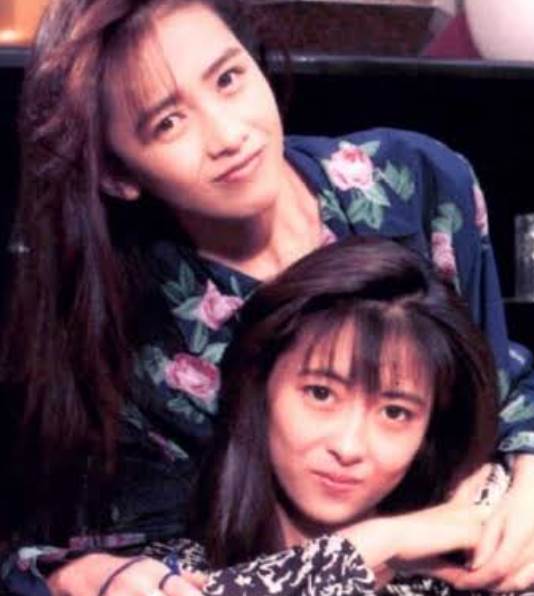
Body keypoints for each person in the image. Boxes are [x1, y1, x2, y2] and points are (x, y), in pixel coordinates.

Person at [1, 0, 534, 593]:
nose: (229, 136)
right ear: (118, 174)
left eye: (228, 79)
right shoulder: (140, 335)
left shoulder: (418, 184)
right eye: (168, 123)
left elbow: (497, 380)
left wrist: (527, 483)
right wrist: (91, 575)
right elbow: (147, 558)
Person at [148, 235, 504, 595]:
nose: (348, 447)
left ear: (430, 431)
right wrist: (372, 544)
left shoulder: (469, 577)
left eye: (395, 412)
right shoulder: (167, 574)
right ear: (261, 385)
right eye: (321, 393)